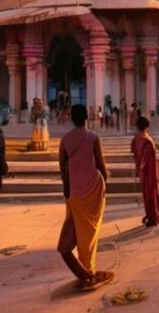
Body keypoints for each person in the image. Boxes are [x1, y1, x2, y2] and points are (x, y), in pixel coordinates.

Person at [58, 104, 114, 290]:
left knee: (76, 236)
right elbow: (102, 167)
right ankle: (87, 272)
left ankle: (87, 273)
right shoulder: (93, 137)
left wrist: (68, 192)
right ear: (86, 118)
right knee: (89, 232)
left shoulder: (65, 140)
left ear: (72, 118)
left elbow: (62, 170)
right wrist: (104, 183)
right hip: (94, 190)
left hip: (75, 192)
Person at [131, 116, 159, 227]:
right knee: (152, 193)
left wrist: (139, 167)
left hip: (145, 170)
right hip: (151, 170)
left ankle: (151, 215)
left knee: (148, 194)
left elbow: (135, 152)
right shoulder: (147, 138)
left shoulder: (137, 139)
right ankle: (152, 216)